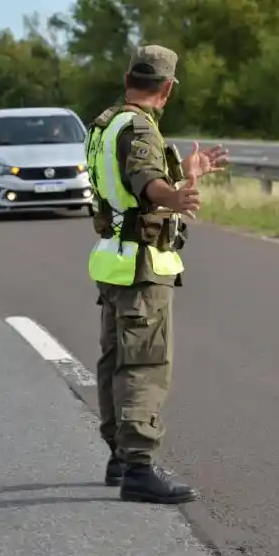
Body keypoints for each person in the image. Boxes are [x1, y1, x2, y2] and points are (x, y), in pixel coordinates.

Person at [85, 45, 229, 504]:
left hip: (114, 259)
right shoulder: (141, 128)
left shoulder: (107, 123)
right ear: (166, 89)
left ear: (129, 76)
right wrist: (176, 196)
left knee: (115, 362)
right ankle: (139, 468)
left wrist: (186, 171)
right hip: (141, 265)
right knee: (144, 365)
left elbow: (126, 181)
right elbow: (147, 182)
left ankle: (118, 457)